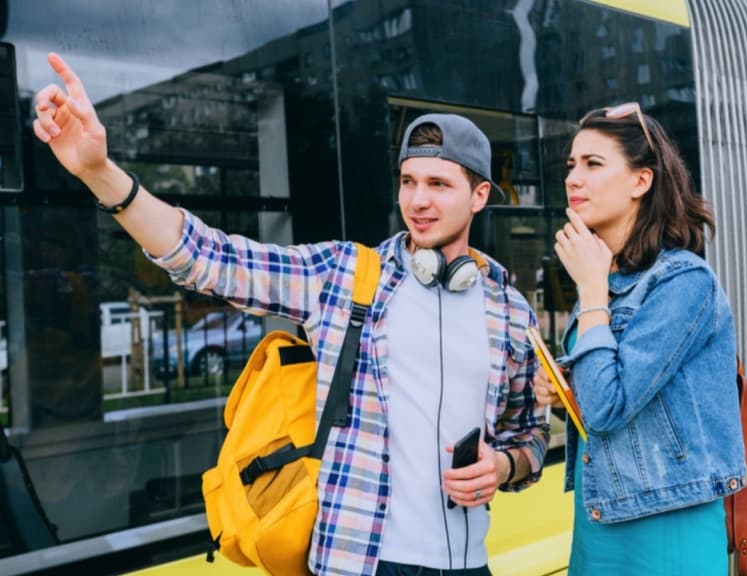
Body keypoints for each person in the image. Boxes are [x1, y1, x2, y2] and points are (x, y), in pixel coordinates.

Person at [32, 52, 549, 576]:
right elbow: (208, 259)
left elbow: (529, 432)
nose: (417, 200)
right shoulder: (347, 275)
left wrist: (504, 465)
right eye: (408, 180)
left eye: (439, 184)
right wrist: (100, 173)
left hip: (469, 565)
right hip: (358, 563)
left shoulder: (508, 309)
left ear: (480, 195)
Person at [534, 102, 747, 575]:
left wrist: (589, 289)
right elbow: (605, 396)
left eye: (593, 164)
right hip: (602, 512)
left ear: (640, 181)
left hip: (668, 520)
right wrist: (563, 389)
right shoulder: (609, 278)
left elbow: (610, 406)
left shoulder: (683, 281)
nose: (573, 178)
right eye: (571, 165)